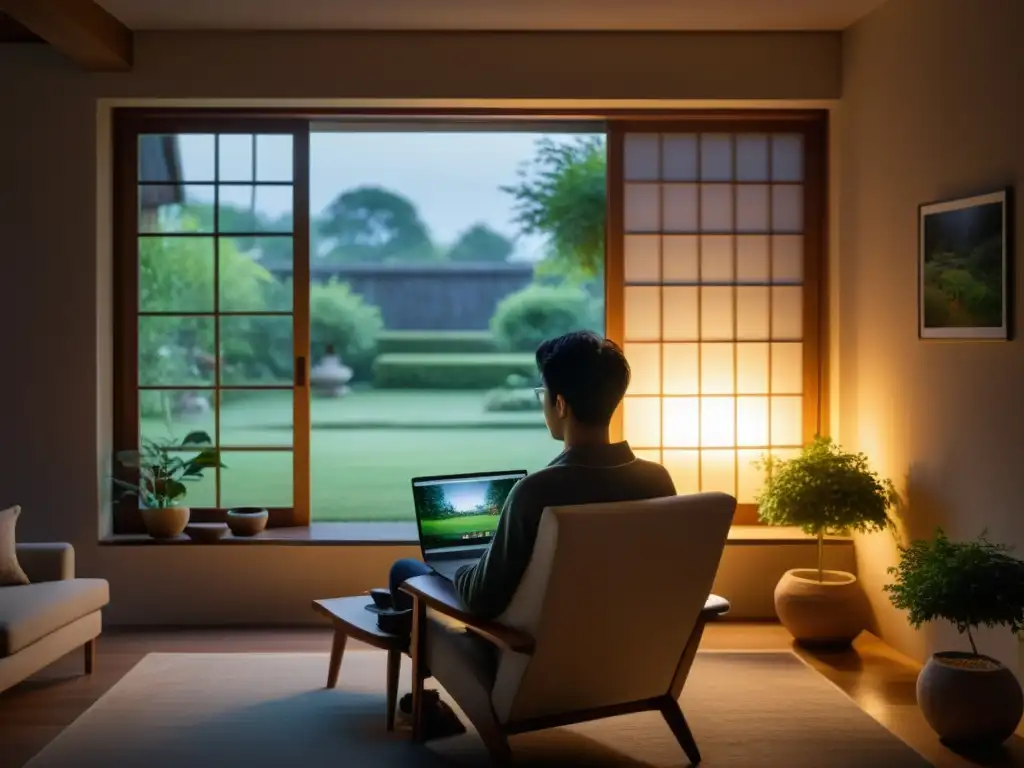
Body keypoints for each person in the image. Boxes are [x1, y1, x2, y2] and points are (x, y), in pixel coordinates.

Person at [385, 331, 677, 732]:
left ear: (559, 403)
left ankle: (424, 700)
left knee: (405, 573)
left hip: (532, 656)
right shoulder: (657, 482)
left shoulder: (537, 492)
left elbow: (481, 599)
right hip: (625, 655)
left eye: (543, 392)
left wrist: (470, 564)